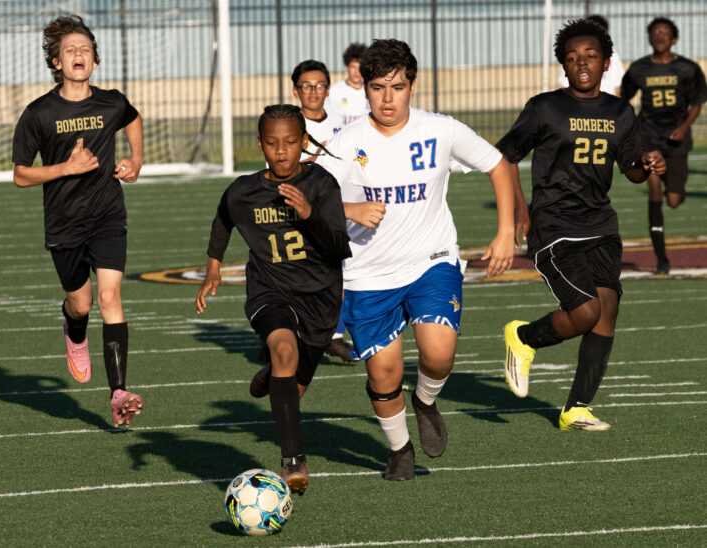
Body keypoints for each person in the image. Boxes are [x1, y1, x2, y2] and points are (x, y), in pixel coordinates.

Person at [318, 39, 516, 481]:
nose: (388, 98)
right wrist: (349, 211)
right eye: (377, 87)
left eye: (398, 86)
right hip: (368, 273)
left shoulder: (441, 130)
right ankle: (400, 449)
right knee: (385, 376)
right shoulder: (345, 143)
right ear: (364, 88)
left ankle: (425, 401)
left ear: (412, 85)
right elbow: (305, 199)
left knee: (439, 353)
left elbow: (500, 166)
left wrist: (506, 233)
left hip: (432, 260)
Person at [497, 19, 666, 431]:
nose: (582, 63)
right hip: (555, 226)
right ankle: (523, 337)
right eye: (572, 58)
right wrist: (520, 209)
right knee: (586, 310)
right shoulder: (544, 107)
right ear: (564, 65)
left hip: (601, 223)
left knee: (607, 311)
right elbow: (504, 156)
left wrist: (647, 165)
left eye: (590, 56)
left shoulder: (620, 111)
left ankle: (576, 408)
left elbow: (630, 169)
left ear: (606, 62)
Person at [195, 105, 351, 493]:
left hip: (320, 299)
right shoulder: (245, 190)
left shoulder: (321, 184)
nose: (281, 151)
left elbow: (338, 246)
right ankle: (293, 461)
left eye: (290, 142)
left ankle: (270, 376)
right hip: (270, 291)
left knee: (293, 388)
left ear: (303, 142)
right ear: (260, 145)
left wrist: (309, 213)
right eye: (272, 143)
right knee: (283, 349)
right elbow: (223, 216)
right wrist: (213, 265)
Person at [12, 15, 144, 427]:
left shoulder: (111, 102)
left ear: (95, 61)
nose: (78, 54)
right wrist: (66, 168)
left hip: (107, 215)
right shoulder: (39, 113)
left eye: (85, 49)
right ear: (55, 61)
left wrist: (136, 160)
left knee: (109, 298)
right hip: (64, 223)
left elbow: (132, 118)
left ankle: (118, 391)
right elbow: (20, 175)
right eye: (69, 50)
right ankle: (74, 331)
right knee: (81, 302)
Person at [621, 17, 707, 274]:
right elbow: (622, 99)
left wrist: (682, 128)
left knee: (674, 200)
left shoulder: (688, 68)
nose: (659, 36)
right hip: (648, 137)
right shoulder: (638, 69)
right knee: (654, 190)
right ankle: (661, 259)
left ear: (674, 38)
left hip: (676, 140)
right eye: (655, 32)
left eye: (664, 32)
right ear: (649, 37)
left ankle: (672, 186)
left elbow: (697, 103)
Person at [291, 59, 354, 362]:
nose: (313, 92)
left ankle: (336, 336)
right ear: (295, 90)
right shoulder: (287, 123)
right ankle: (284, 336)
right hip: (297, 211)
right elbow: (279, 170)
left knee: (341, 275)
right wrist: (317, 155)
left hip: (336, 208)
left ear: (328, 89)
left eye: (319, 86)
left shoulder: (345, 122)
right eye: (306, 86)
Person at [557, 15, 625, 97]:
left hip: (605, 105)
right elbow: (564, 84)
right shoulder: (571, 53)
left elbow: (618, 84)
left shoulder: (612, 56)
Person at [325, 43, 370, 125]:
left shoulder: (371, 90)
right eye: (353, 67)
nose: (357, 72)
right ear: (347, 67)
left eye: (360, 67)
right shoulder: (334, 91)